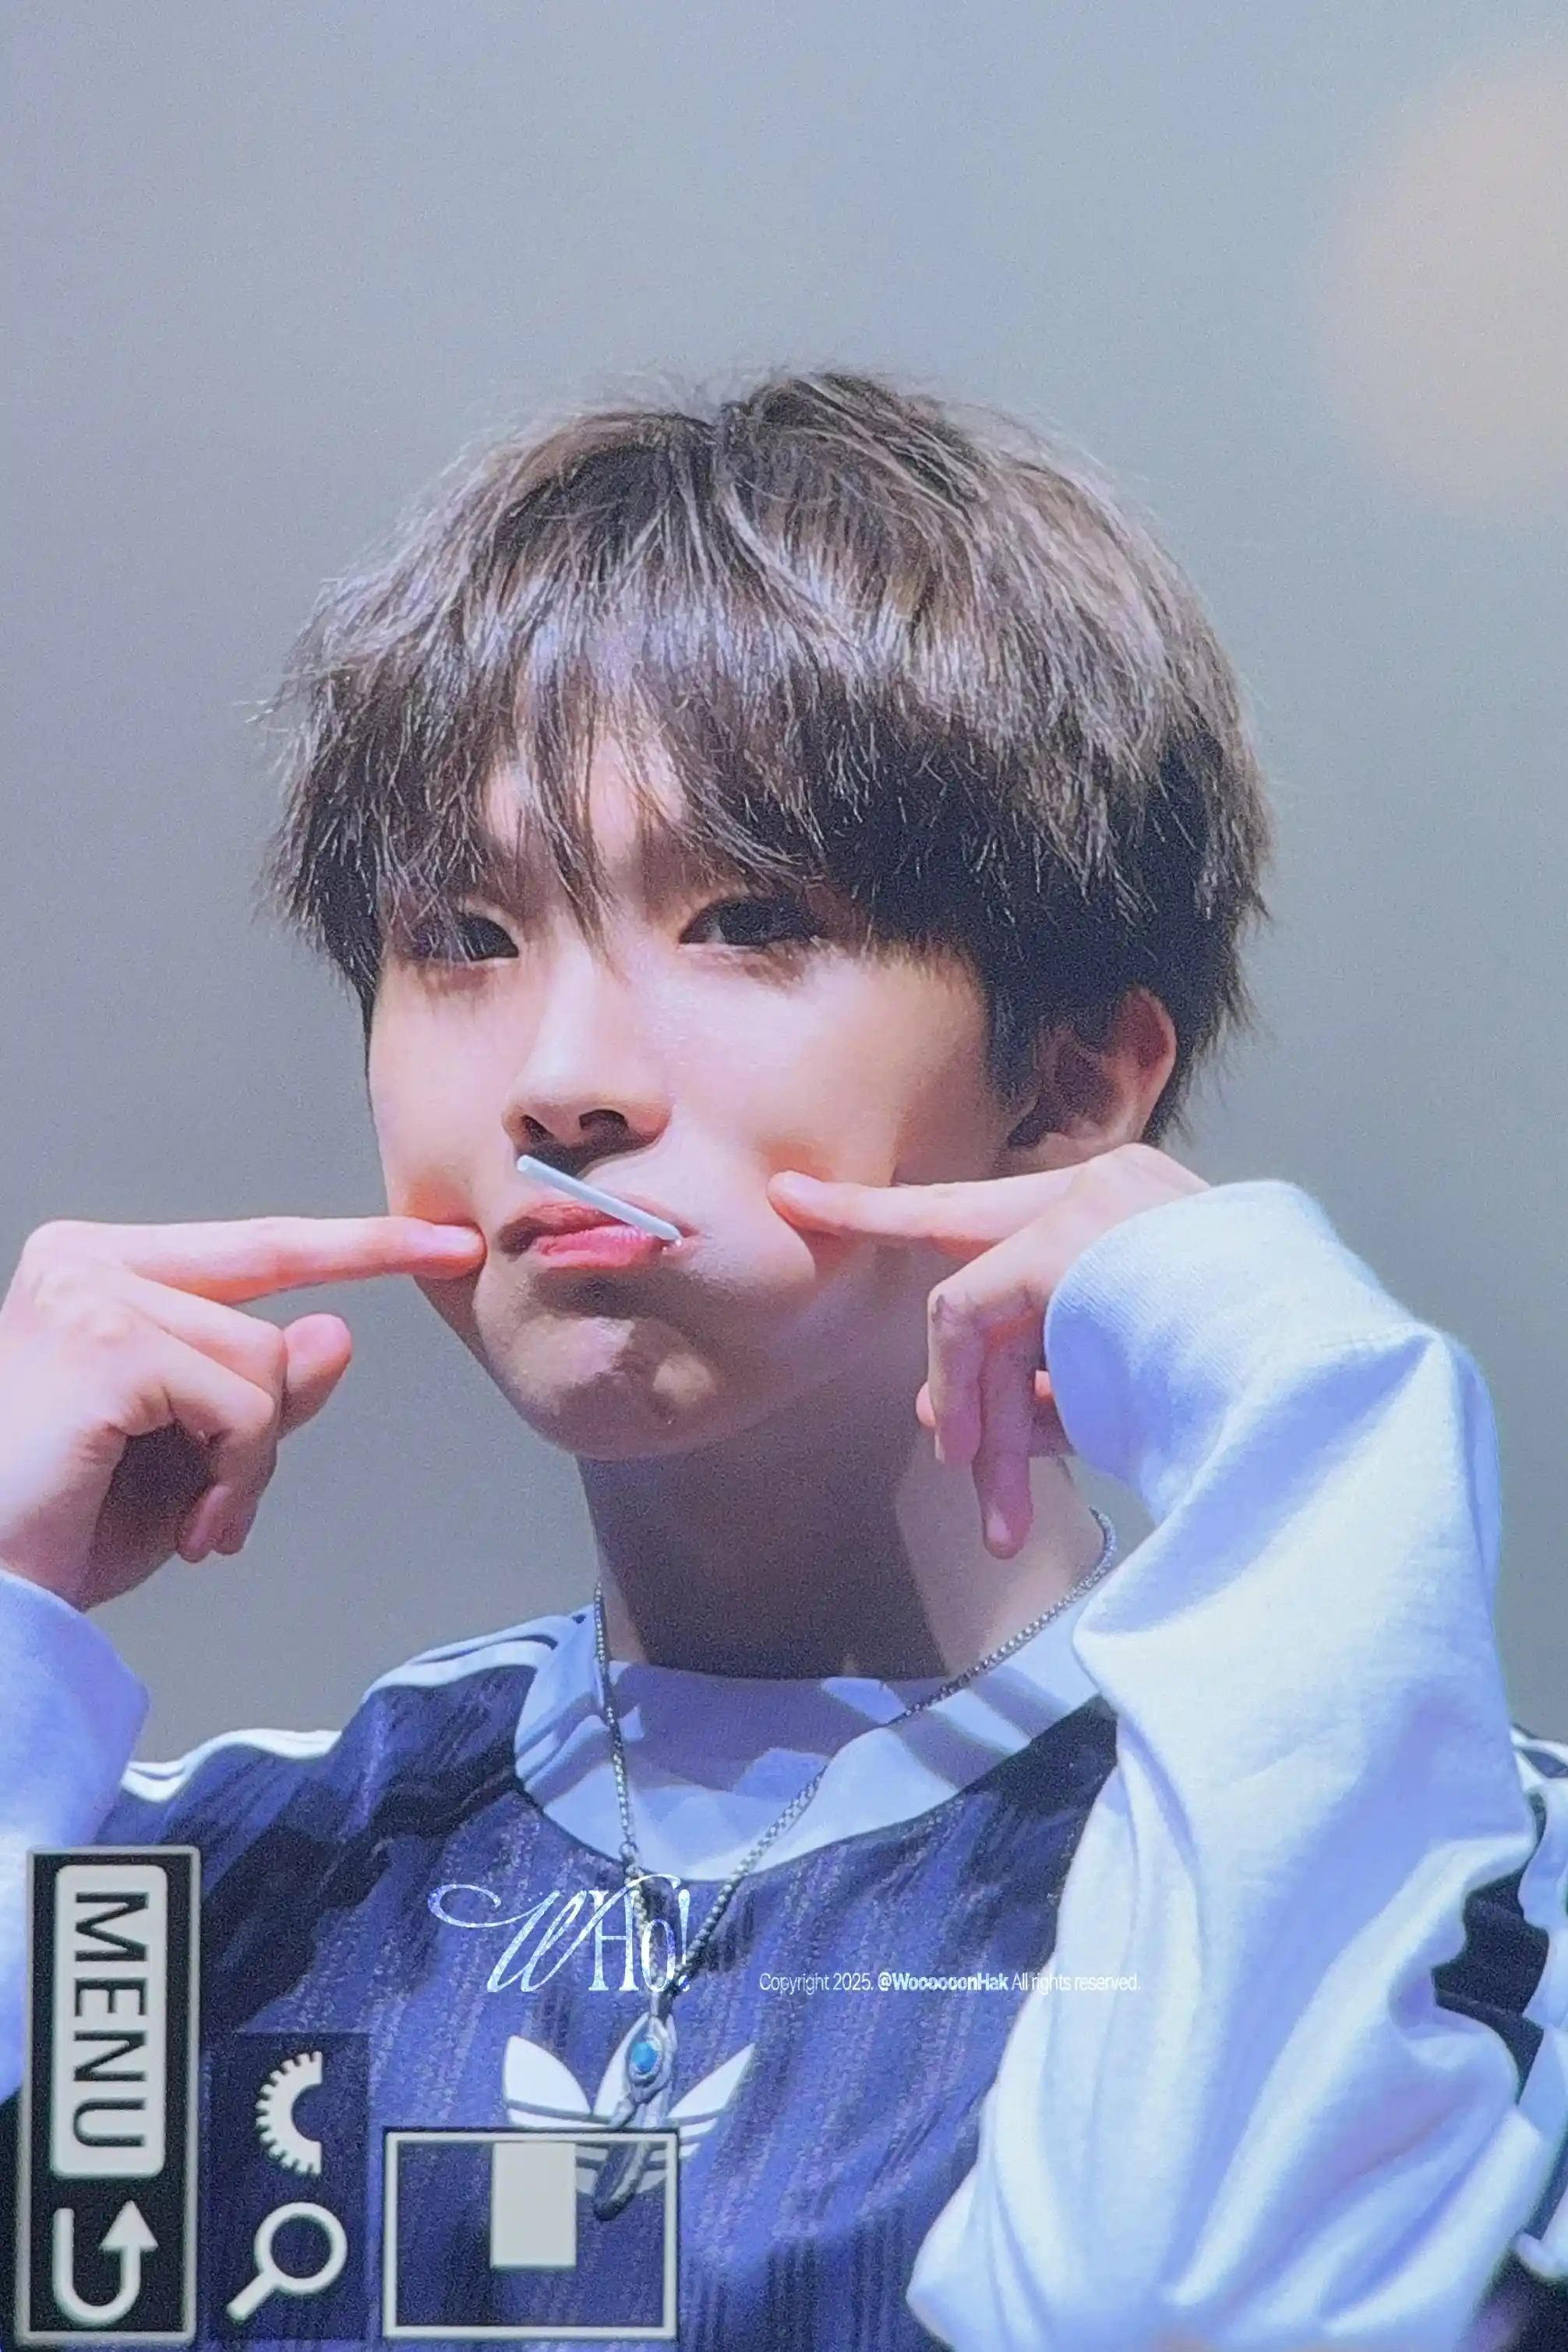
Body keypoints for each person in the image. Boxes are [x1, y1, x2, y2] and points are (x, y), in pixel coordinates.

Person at [2, 371, 1566, 2350]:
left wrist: (1308, 1415)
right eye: (463, 935)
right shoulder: (180, 1884)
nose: (563, 1079)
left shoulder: (1479, 1892)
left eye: (745, 920)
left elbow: (1184, 2310)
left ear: (1078, 1083)